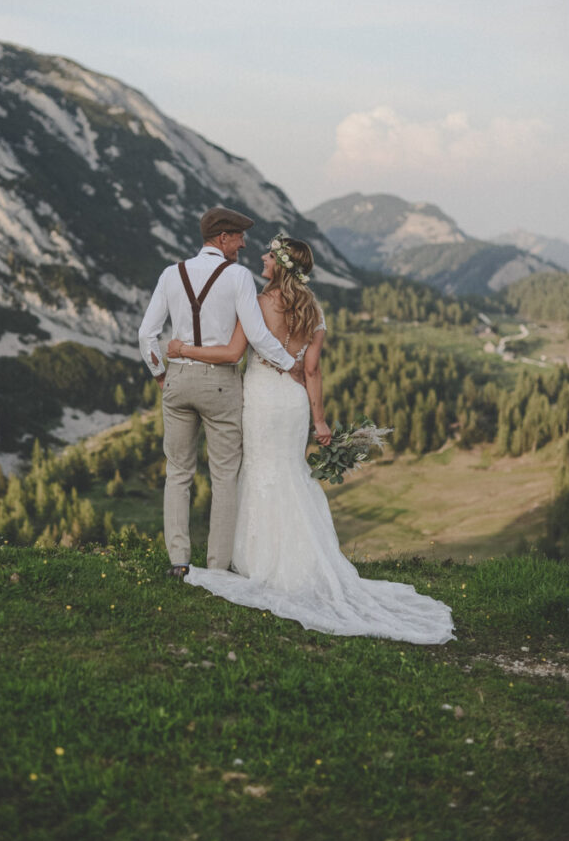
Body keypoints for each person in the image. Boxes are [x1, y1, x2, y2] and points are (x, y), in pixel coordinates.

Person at [167, 233, 454, 645]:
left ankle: (256, 559)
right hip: (295, 402)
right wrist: (319, 421)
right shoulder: (313, 309)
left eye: (269, 254)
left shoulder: (259, 303)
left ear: (281, 264)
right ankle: (301, 559)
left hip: (262, 397)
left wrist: (182, 349)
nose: (262, 257)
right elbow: (313, 370)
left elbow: (234, 351)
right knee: (289, 471)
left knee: (258, 471)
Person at [138, 207, 303, 579]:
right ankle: (216, 567)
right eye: (239, 237)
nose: (244, 244)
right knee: (225, 475)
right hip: (220, 382)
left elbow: (146, 335)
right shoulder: (238, 277)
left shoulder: (171, 274)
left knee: (178, 472)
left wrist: (160, 374)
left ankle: (179, 562)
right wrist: (288, 364)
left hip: (179, 379)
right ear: (223, 238)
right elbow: (257, 335)